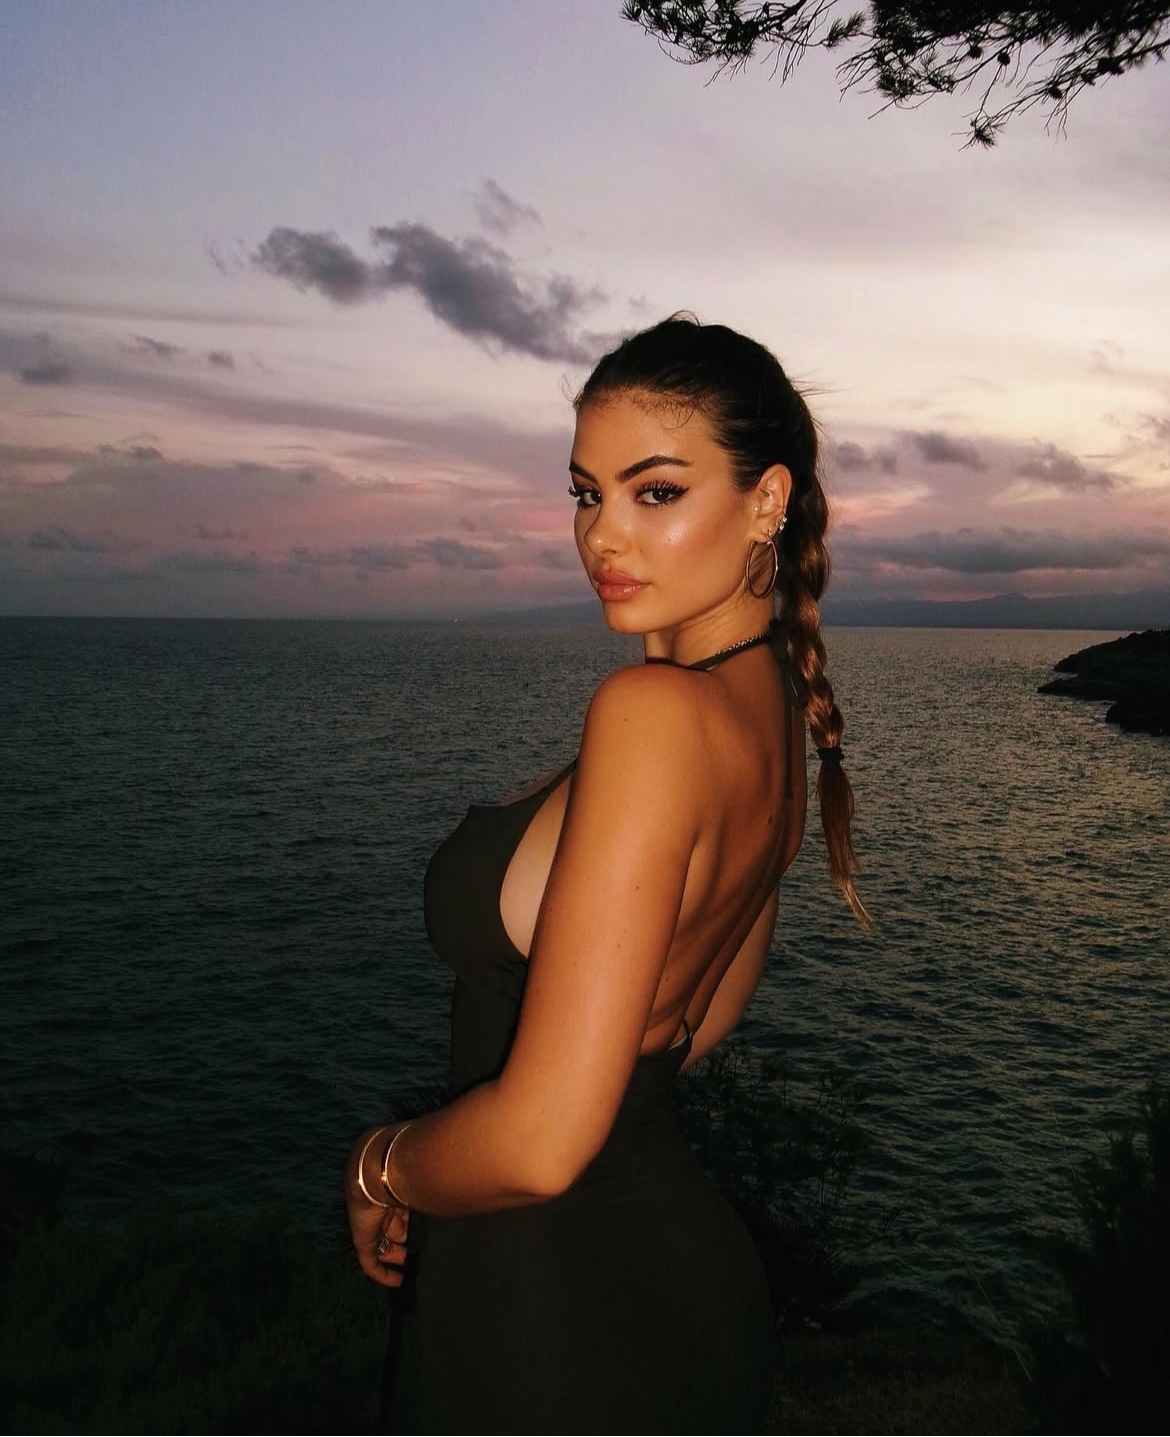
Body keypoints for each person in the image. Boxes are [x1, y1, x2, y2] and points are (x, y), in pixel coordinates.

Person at [345, 315, 865, 1434]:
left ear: (766, 501)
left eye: (655, 491)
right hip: (665, 1281)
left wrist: (388, 1167)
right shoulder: (771, 707)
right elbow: (694, 1024)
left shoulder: (653, 714)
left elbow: (540, 1143)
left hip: (550, 1308)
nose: (602, 536)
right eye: (587, 494)